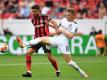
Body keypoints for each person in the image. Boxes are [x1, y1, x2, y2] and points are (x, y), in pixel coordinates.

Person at [16, 8, 88, 78]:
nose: (67, 16)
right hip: (56, 39)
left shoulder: (75, 25)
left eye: (69, 15)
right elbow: (58, 30)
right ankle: (24, 44)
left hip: (63, 42)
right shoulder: (64, 20)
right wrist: (50, 25)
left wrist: (62, 30)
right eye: (67, 14)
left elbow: (70, 36)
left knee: (69, 62)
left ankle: (81, 72)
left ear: (73, 16)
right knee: (40, 39)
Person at [18, 5, 60, 77]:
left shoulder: (44, 17)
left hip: (45, 39)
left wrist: (57, 30)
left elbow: (55, 23)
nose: (33, 13)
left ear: (39, 11)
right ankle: (28, 72)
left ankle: (57, 70)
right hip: (37, 40)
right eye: (32, 12)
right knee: (28, 53)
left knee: (49, 57)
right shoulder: (33, 20)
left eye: (34, 11)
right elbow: (44, 25)